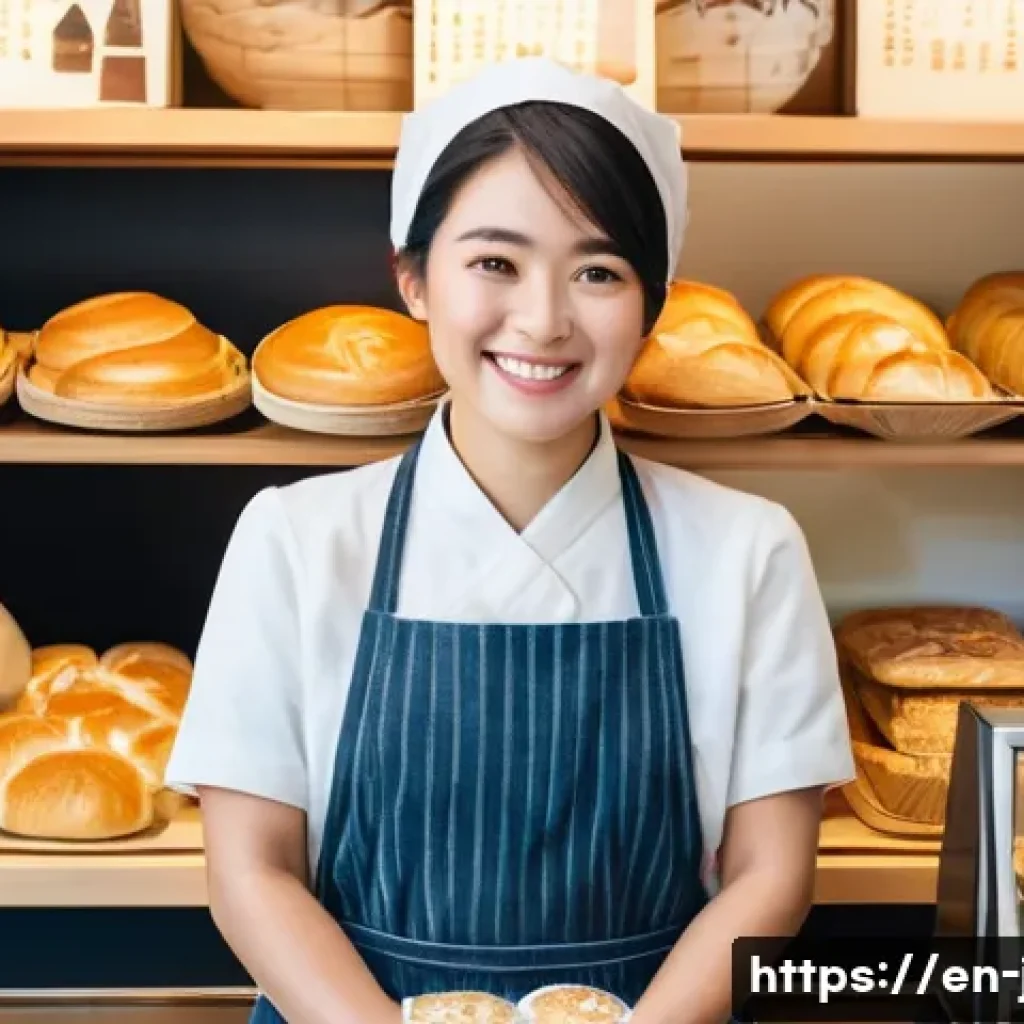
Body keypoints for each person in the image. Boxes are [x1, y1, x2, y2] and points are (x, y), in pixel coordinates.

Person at [165, 56, 855, 1024]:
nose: (541, 318)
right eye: (495, 260)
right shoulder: (294, 538)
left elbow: (769, 880)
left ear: (652, 305)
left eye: (598, 271)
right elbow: (250, 874)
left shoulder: (748, 551)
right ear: (411, 276)